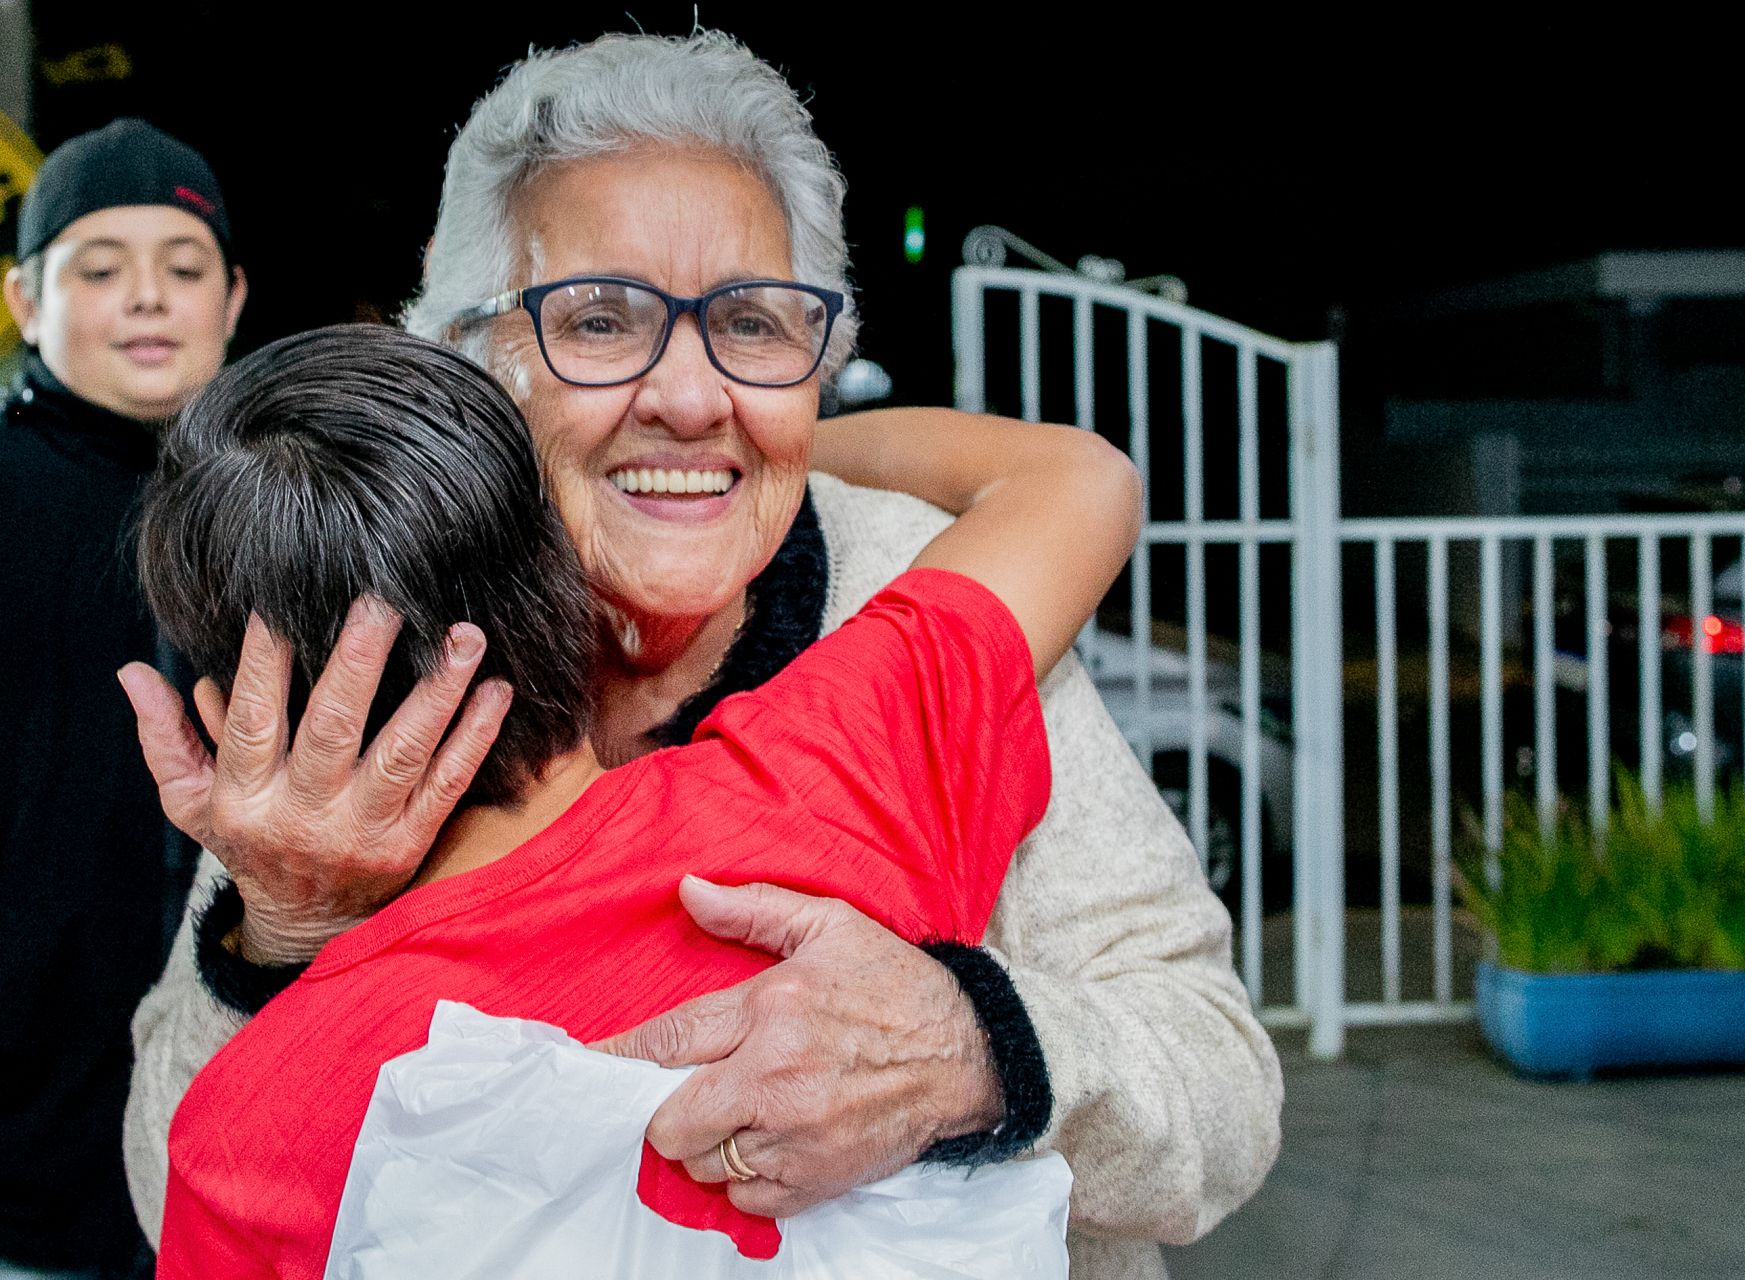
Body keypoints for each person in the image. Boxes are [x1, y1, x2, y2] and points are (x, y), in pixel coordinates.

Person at [120, 32, 1283, 1279]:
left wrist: (976, 1044)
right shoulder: (379, 646)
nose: (690, 394)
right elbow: (170, 1160)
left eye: (754, 325)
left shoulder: (904, 581)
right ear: (467, 363)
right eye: (602, 319)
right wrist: (289, 931)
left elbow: (1221, 1089)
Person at [146, 320, 1133, 1277]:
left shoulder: (246, 1129)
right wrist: (758, 452)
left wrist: (282, 925)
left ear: (238, 718)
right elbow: (1078, 479)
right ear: (567, 578)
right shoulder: (828, 777)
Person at [0, 118, 245, 1279]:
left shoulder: (280, 507)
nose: (147, 297)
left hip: (234, 1150)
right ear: (25, 300)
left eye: (183, 268)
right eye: (99, 269)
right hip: (29, 1165)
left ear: (234, 299)